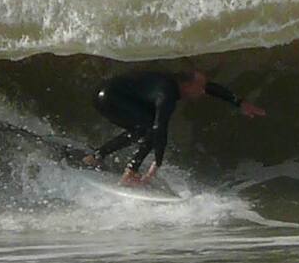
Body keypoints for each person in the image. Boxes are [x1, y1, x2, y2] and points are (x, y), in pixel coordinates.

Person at [83, 70, 266, 186]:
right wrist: (157, 163)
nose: (203, 92)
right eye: (200, 88)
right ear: (187, 86)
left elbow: (209, 87)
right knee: (150, 128)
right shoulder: (167, 94)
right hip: (111, 98)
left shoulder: (173, 82)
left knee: (142, 129)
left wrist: (239, 102)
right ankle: (129, 172)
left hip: (105, 93)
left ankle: (96, 157)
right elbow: (160, 128)